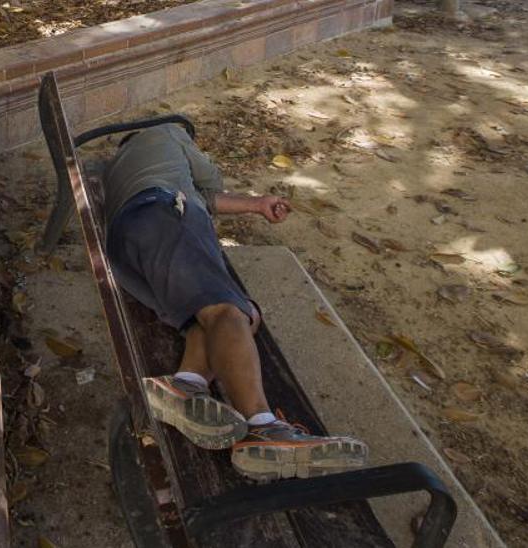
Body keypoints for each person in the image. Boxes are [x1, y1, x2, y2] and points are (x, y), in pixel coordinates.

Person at [102, 124, 368, 481]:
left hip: (127, 248)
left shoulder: (122, 164)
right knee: (230, 312)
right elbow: (209, 182)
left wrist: (256, 205)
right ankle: (264, 427)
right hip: (165, 214)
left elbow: (205, 199)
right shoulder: (167, 132)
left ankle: (186, 385)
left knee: (221, 316)